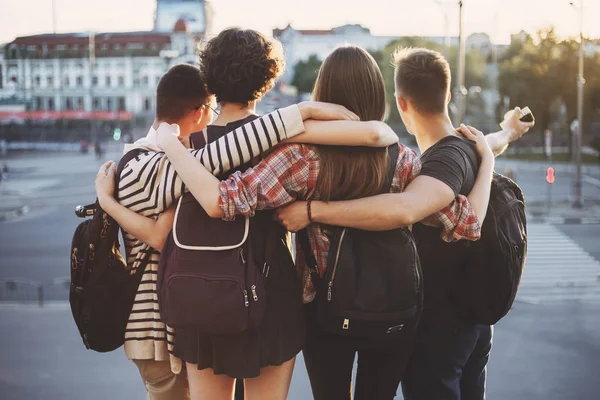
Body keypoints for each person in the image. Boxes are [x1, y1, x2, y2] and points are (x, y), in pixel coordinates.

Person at [152, 45, 495, 400]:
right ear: (377, 94)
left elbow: (228, 199)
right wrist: (487, 164)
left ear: (325, 93)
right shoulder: (403, 160)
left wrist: (175, 149)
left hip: (324, 311)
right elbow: (466, 223)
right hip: (394, 312)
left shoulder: (301, 160)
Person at [95, 49, 398, 400]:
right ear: (266, 81)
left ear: (211, 84)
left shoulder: (182, 152)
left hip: (202, 299)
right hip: (273, 298)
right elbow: (374, 137)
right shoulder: (280, 143)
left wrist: (112, 195)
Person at [274, 48, 534, 400]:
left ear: (401, 102)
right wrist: (503, 138)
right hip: (450, 322)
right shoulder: (433, 156)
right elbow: (475, 170)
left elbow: (406, 209)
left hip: (426, 325)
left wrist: (311, 211)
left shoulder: (431, 165)